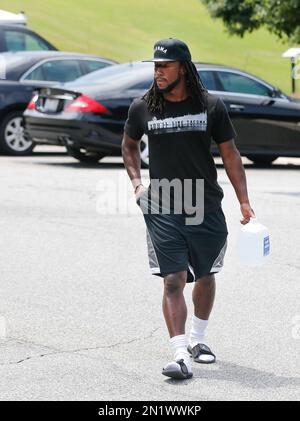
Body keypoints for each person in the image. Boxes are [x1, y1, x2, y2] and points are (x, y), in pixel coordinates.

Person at [122, 38, 255, 380]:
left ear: (183, 67)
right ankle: (180, 354)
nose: (158, 72)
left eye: (164, 66)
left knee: (206, 275)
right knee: (173, 279)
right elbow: (129, 145)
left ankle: (199, 339)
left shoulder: (210, 106)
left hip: (204, 204)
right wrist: (137, 185)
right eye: (155, 66)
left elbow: (230, 154)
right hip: (162, 204)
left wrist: (243, 200)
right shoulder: (143, 107)